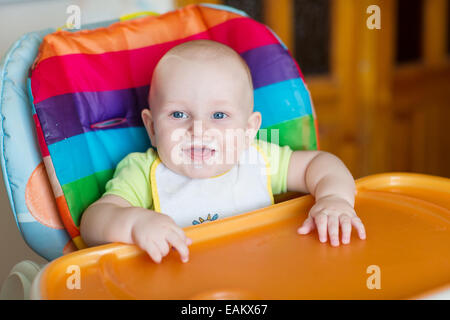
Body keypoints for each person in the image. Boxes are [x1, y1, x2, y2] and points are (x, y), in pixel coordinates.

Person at [80, 39, 366, 264]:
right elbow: (94, 221)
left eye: (218, 115)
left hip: (264, 278)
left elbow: (320, 163)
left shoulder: (258, 160)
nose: (199, 130)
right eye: (179, 114)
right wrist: (133, 224)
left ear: (248, 130)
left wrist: (334, 199)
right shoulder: (143, 171)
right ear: (152, 128)